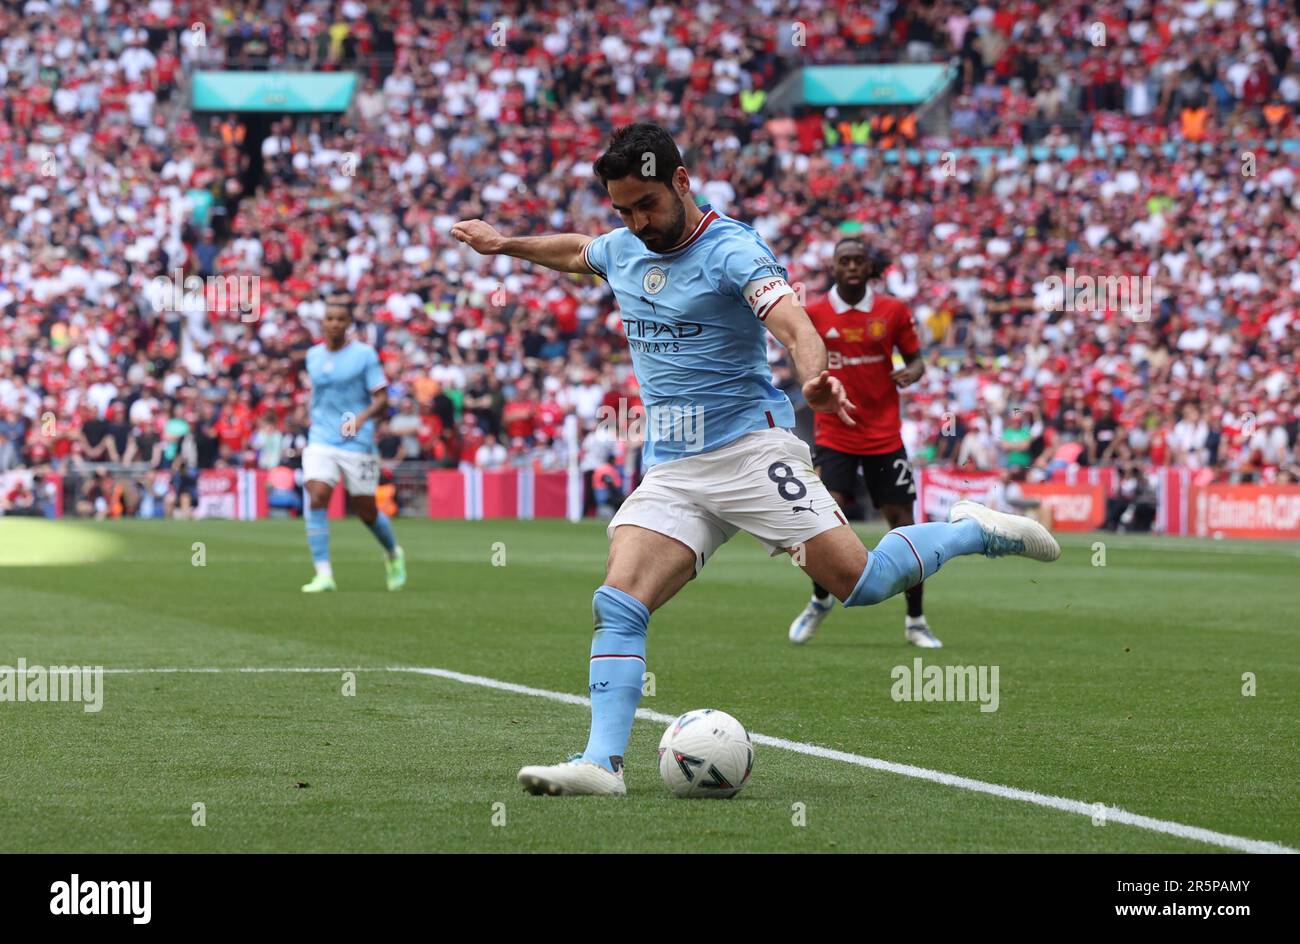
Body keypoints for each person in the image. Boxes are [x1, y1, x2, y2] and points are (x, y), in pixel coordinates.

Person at [452, 122, 1059, 797]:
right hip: (674, 470)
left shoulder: (734, 251)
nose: (635, 221)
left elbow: (796, 324)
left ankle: (973, 529)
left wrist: (815, 380)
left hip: (750, 449)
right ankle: (603, 763)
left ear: (681, 181)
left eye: (646, 203)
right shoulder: (624, 246)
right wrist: (505, 244)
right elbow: (577, 251)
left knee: (860, 583)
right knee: (618, 603)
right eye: (622, 209)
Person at [786, 238, 939, 648]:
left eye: (859, 261)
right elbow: (798, 358)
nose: (852, 267)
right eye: (844, 261)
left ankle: (916, 620)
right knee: (822, 522)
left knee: (903, 528)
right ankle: (820, 600)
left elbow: (917, 358)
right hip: (834, 433)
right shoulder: (814, 312)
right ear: (833, 268)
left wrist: (912, 372)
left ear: (870, 268)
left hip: (884, 436)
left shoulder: (894, 310)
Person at [299, 300, 406, 593]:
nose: (334, 323)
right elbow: (319, 396)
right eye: (329, 318)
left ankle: (394, 553)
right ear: (323, 322)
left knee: (366, 511)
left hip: (357, 442)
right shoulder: (313, 356)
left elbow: (382, 398)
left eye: (340, 319)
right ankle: (323, 574)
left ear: (348, 324)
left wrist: (361, 419)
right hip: (320, 438)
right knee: (318, 495)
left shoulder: (364, 355)